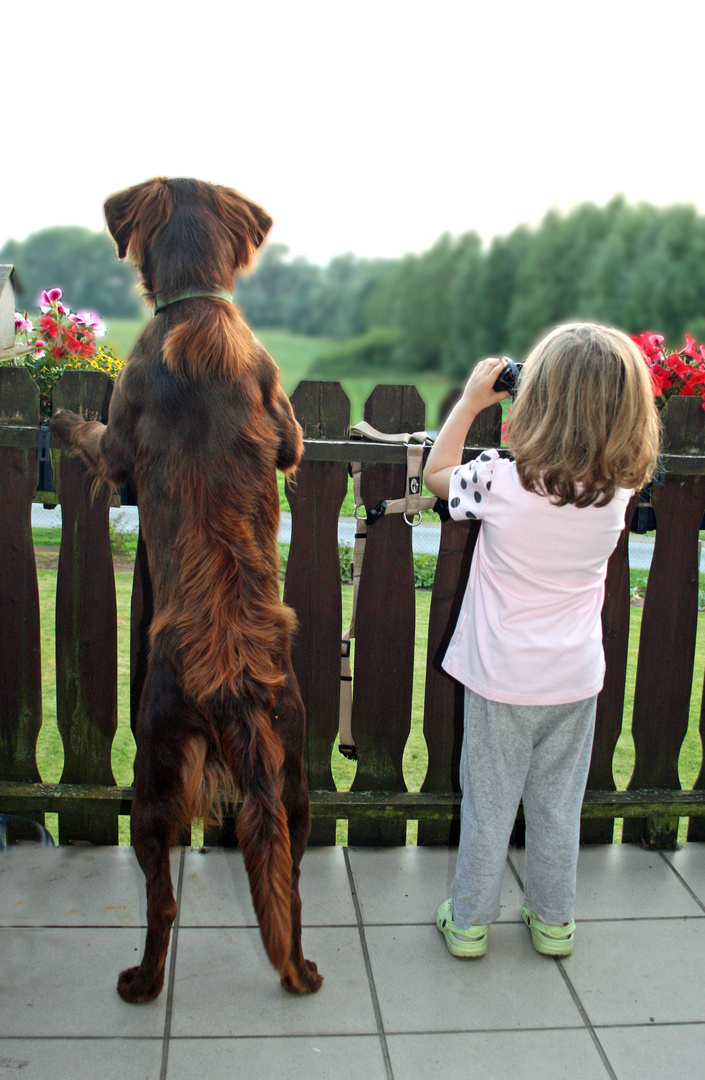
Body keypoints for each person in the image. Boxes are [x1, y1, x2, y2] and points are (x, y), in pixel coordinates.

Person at [424, 323, 660, 958]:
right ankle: (555, 921)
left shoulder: (503, 480)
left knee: (489, 803)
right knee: (558, 805)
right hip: (575, 677)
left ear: (541, 402)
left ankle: (470, 921)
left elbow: (437, 473)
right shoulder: (618, 492)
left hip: (503, 679)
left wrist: (474, 400)